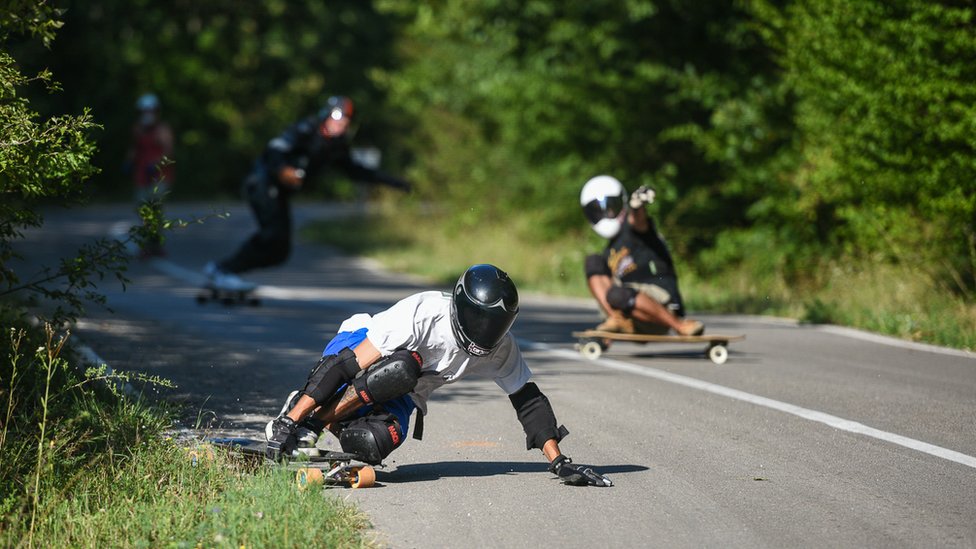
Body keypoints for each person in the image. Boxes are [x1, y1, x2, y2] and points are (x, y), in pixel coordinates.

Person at [265, 264, 613, 487]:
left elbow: (528, 400)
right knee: (403, 369)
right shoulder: (423, 313)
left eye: (495, 327)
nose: (485, 334)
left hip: (403, 391)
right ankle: (304, 415)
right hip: (358, 349)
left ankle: (327, 420)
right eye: (480, 323)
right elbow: (346, 365)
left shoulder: (499, 346)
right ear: (460, 306)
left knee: (373, 444)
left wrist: (559, 462)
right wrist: (292, 420)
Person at [205, 96, 411, 290]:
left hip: (280, 193)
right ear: (327, 115)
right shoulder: (306, 130)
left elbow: (357, 171)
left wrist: (397, 183)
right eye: (338, 116)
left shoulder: (336, 146)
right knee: (272, 235)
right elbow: (274, 150)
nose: (342, 123)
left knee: (280, 252)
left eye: (347, 119)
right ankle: (224, 270)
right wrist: (282, 170)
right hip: (262, 184)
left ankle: (226, 271)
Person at [580, 175, 704, 337]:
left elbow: (637, 221)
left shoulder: (633, 231)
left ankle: (680, 326)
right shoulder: (608, 252)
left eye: (611, 207)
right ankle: (616, 320)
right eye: (598, 210)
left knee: (617, 294)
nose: (606, 213)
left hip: (663, 307)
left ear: (621, 203)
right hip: (632, 317)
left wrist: (637, 206)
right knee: (594, 262)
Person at [126, 93, 174, 257]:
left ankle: (156, 244)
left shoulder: (162, 130)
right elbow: (135, 149)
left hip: (159, 176)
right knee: (143, 210)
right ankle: (146, 244)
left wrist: (156, 165)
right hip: (141, 175)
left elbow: (168, 152)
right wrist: (128, 163)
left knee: (156, 209)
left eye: (150, 111)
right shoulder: (138, 129)